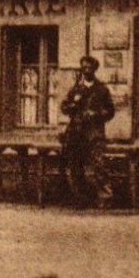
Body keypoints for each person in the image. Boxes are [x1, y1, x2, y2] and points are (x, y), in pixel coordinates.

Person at [59, 55, 116, 208]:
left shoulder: (102, 89)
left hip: (94, 134)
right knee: (76, 166)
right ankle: (81, 199)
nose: (86, 71)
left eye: (89, 68)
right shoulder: (76, 88)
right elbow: (64, 107)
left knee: (99, 165)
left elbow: (110, 111)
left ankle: (105, 198)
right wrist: (71, 107)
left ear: (95, 69)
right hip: (77, 133)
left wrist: (96, 114)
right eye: (84, 68)